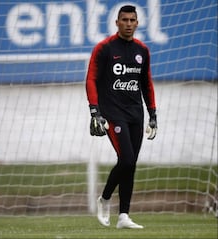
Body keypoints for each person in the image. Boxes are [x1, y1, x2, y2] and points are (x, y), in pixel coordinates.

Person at [85, 5, 157, 229]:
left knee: (130, 164)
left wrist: (153, 113)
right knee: (126, 159)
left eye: (132, 20)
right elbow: (91, 79)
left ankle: (123, 215)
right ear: (116, 23)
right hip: (113, 114)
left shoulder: (142, 50)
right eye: (124, 19)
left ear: (137, 23)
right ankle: (105, 198)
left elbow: (147, 84)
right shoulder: (104, 48)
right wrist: (94, 110)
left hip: (136, 114)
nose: (128, 23)